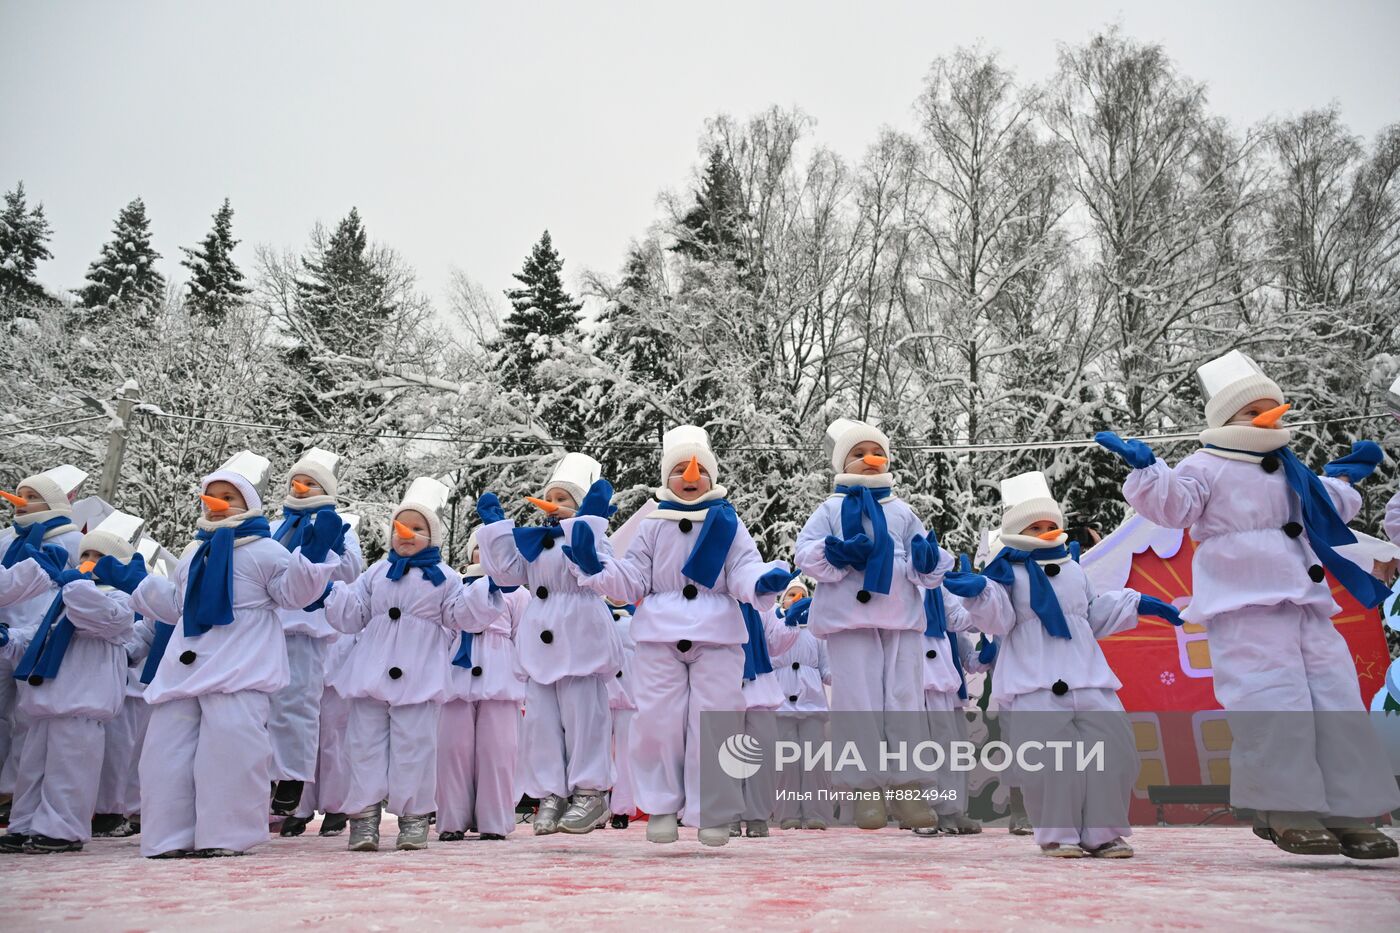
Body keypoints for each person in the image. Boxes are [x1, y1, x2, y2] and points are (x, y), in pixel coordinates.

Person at [1098, 350, 1399, 859]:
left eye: (1271, 408)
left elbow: (1323, 508)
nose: (1266, 417)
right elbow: (1177, 505)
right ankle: (1287, 809)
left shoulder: (1291, 468)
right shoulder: (1206, 464)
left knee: (1336, 702)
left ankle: (1350, 811)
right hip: (1244, 607)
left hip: (1305, 604)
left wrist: (1343, 481)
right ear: (1225, 419)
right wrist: (1150, 472)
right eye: (1251, 410)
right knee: (1272, 704)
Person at [562, 426, 796, 846]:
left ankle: (712, 811)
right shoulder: (653, 525)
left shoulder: (729, 522)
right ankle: (662, 805)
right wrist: (598, 569)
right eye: (681, 471)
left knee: (716, 721)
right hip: (659, 636)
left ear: (712, 477)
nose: (691, 476)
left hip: (718, 636)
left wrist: (762, 581)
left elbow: (743, 567)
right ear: (667, 478)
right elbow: (632, 579)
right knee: (657, 721)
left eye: (701, 471)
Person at [944, 471, 1182, 858]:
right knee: (1052, 763)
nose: (1045, 531)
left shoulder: (1073, 570)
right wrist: (980, 594)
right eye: (1035, 526)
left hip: (1087, 678)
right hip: (1034, 682)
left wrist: (1137, 604)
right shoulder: (1007, 573)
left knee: (1115, 751)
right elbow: (999, 621)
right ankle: (1058, 834)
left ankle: (1103, 833)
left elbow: (1090, 614)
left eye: (1050, 524)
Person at [130, 450, 343, 858]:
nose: (219, 502)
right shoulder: (194, 551)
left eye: (229, 495)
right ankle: (168, 837)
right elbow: (177, 604)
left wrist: (313, 559)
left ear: (248, 503)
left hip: (240, 664)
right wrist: (137, 584)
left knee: (231, 751)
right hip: (185, 665)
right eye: (213, 494)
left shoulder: (266, 550)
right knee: (165, 752)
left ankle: (226, 835)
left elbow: (292, 595)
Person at [794, 418, 952, 830]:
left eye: (877, 452)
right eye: (858, 453)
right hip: (850, 620)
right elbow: (804, 553)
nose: (869, 460)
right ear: (841, 462)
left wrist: (927, 561)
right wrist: (835, 554)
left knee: (904, 701)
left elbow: (928, 561)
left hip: (899, 618)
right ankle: (865, 791)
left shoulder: (902, 510)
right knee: (858, 703)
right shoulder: (829, 509)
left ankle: (909, 790)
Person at [475, 453, 623, 836]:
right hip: (540, 639)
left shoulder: (595, 538)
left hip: (580, 636)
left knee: (583, 716)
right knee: (541, 721)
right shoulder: (536, 543)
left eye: (564, 499)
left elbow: (600, 573)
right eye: (550, 496)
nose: (553, 505)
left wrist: (586, 529)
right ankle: (551, 793)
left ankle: (590, 792)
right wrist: (495, 530)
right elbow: (507, 575)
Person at [323, 477, 461, 852]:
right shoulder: (376, 573)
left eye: (417, 528)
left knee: (415, 746)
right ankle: (363, 818)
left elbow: (459, 615)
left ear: (431, 535)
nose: (407, 534)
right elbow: (354, 616)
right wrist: (333, 594)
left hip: (419, 673)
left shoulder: (447, 578)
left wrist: (483, 597)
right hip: (371, 670)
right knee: (364, 745)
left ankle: (414, 818)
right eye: (401, 527)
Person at [268, 448, 364, 830]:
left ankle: (299, 784)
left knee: (303, 710)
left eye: (310, 484)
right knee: (268, 712)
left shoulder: (340, 527)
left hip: (312, 630)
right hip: (271, 628)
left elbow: (351, 569)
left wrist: (321, 549)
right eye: (296, 482)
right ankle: (278, 792)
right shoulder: (276, 525)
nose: (300, 488)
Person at [436, 527, 528, 842]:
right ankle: (451, 820)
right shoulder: (452, 588)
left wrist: (523, 676)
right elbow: (444, 633)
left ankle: (494, 821)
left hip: (500, 675)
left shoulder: (517, 592)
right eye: (478, 548)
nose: (483, 555)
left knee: (498, 750)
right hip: (456, 677)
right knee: (453, 750)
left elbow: (524, 636)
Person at [772, 583, 834, 830]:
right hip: (782, 701)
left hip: (812, 703)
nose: (797, 598)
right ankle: (788, 813)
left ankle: (816, 812)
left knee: (814, 760)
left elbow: (827, 668)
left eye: (803, 596)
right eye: (791, 595)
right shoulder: (774, 628)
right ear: (783, 600)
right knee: (786, 762)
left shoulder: (816, 632)